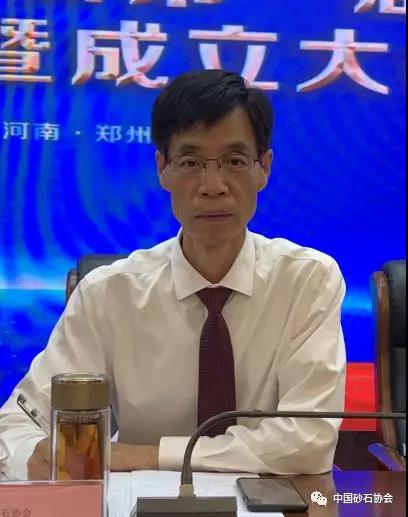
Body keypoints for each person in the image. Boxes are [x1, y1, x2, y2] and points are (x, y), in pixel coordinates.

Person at [0, 70, 346, 481]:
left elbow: (309, 442)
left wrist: (147, 456)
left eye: (235, 161)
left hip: (275, 503)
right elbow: (16, 426)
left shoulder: (307, 281)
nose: (213, 186)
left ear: (264, 168)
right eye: (190, 162)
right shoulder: (108, 294)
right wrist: (40, 458)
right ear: (162, 169)